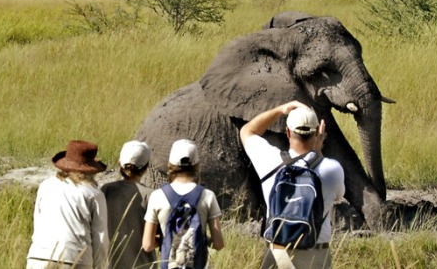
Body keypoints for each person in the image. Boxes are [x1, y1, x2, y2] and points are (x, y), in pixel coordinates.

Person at [239, 101, 345, 269]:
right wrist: (318, 150)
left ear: (287, 132)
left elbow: (247, 131)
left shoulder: (269, 160)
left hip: (277, 254)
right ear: (319, 132)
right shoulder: (333, 169)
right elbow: (338, 196)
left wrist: (281, 109)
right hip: (316, 255)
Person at [26, 140, 110, 269]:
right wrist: (101, 266)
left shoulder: (46, 185)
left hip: (39, 255)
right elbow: (100, 236)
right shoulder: (94, 194)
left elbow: (37, 222)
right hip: (75, 258)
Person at [141, 139, 225, 267]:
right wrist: (200, 240)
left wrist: (168, 239)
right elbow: (218, 244)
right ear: (196, 165)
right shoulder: (208, 195)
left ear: (169, 164)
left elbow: (147, 245)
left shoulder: (157, 196)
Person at [100, 141, 156, 269]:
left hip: (110, 264)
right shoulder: (151, 195)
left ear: (119, 164)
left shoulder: (106, 190)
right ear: (146, 167)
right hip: (143, 264)